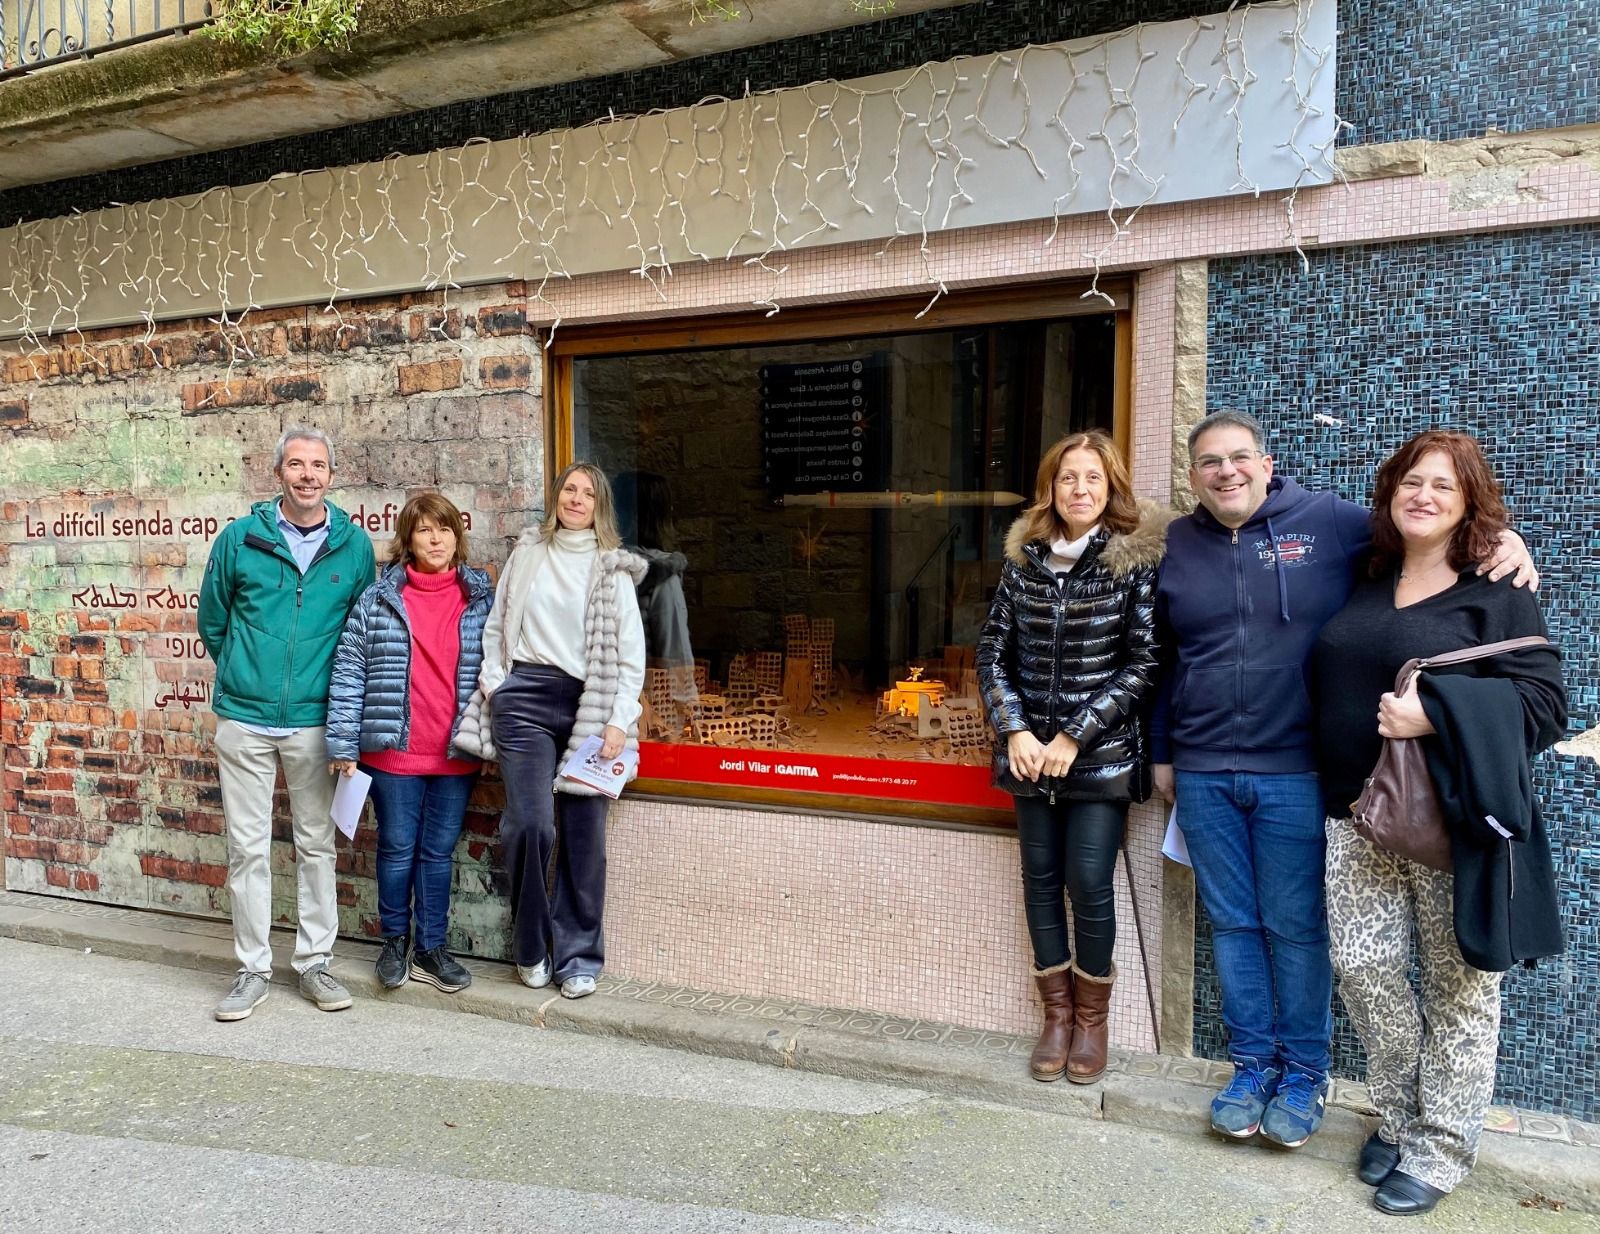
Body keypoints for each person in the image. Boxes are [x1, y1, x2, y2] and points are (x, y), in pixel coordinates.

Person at [1150, 409, 1535, 1150]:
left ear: (1267, 463)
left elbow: (1420, 525)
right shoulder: (1178, 543)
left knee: (1296, 930)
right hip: (1201, 771)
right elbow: (1167, 658)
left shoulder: (1328, 522)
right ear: (1194, 475)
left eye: (1238, 458)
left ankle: (1304, 1074)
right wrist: (1164, 751)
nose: (1225, 471)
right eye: (1208, 462)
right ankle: (1252, 1066)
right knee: (1232, 925)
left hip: (1298, 771)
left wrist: (1499, 539)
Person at [1311, 431, 1565, 1216]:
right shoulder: (1367, 570)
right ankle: (1399, 1111)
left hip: (1452, 825)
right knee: (1362, 968)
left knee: (1460, 989)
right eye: (1411, 483)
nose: (1424, 496)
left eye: (1444, 489)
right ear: (1389, 492)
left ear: (1469, 507)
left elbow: (1547, 707)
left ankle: (1440, 1147)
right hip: (1354, 814)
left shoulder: (1496, 585)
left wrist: (1434, 715)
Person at [976, 431, 1168, 1084]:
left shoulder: (1130, 561)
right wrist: (1016, 731)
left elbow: (1144, 663)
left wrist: (1073, 736)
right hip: (1030, 758)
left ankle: (1091, 1020)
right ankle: (1054, 1016)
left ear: (1110, 487)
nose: (1079, 489)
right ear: (1050, 488)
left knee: (1087, 884)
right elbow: (993, 650)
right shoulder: (1025, 558)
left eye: (1092, 478)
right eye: (1067, 478)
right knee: (1038, 885)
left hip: (1099, 757)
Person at [198, 427, 376, 1022]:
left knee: (316, 845)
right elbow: (214, 622)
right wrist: (244, 675)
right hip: (244, 719)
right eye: (296, 465)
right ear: (278, 473)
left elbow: (360, 637)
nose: (307, 475)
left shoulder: (353, 549)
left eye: (318, 465)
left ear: (331, 474)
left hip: (314, 720)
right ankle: (251, 969)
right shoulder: (240, 539)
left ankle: (314, 963)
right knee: (247, 849)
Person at [480, 461, 647, 1000]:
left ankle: (578, 957)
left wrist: (619, 719)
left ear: (600, 507)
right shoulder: (528, 553)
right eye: (569, 490)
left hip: (590, 705)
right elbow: (496, 624)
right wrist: (495, 684)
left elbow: (630, 658)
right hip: (525, 697)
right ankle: (531, 947)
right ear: (556, 498)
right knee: (531, 826)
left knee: (584, 837)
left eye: (588, 494)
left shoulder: (611, 569)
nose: (577, 499)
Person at [326, 493, 493, 995]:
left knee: (438, 853)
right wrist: (342, 741)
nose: (435, 539)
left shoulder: (481, 598)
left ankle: (432, 948)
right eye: (423, 530)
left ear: (457, 537)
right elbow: (350, 668)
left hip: (455, 751)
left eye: (443, 529)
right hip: (393, 751)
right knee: (398, 849)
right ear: (408, 540)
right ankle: (395, 941)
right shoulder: (379, 599)